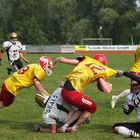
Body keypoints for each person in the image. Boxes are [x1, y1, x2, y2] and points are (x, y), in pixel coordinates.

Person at [53, 54, 121, 133]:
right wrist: (110, 86)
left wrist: (57, 61)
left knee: (83, 107)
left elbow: (63, 59)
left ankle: (65, 126)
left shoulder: (85, 62)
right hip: (72, 94)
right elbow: (107, 90)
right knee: (92, 107)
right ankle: (74, 127)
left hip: (64, 90)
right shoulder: (99, 72)